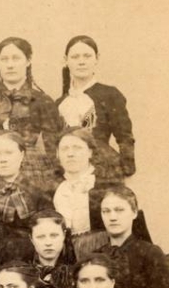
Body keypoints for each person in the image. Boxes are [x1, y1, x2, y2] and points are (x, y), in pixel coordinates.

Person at [0, 37, 64, 193]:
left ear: (28, 61)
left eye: (16, 58)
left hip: (34, 172)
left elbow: (53, 146)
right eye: (4, 59)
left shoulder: (43, 101)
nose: (10, 65)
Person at [57, 35, 136, 182]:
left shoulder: (110, 95)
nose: (81, 62)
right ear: (66, 60)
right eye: (75, 57)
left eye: (87, 56)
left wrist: (127, 171)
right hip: (68, 172)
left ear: (97, 58)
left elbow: (125, 137)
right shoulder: (60, 103)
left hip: (103, 172)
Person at [0, 130, 53, 262]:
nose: (3, 159)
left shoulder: (38, 191)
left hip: (31, 261)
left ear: (21, 155)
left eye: (9, 153)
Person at [51, 128, 111, 258]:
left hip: (102, 252)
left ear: (90, 152)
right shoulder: (55, 189)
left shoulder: (106, 185)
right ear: (57, 154)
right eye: (64, 149)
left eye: (77, 148)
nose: (70, 154)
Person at [27, 210, 75, 288]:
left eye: (54, 235)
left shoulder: (76, 272)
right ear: (31, 239)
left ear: (64, 235)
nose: (48, 243)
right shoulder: (23, 273)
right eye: (41, 237)